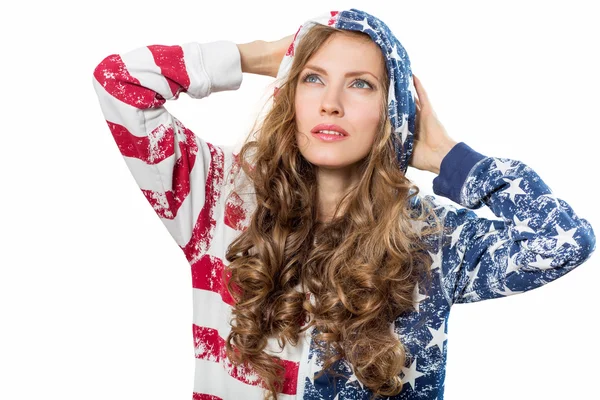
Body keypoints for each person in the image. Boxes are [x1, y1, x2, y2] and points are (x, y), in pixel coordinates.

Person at [92, 8, 595, 400]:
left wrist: (450, 159)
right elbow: (118, 82)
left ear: (392, 110)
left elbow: (565, 241)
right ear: (290, 93)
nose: (331, 101)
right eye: (312, 77)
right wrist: (261, 54)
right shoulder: (218, 194)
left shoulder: (432, 240)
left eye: (360, 83)